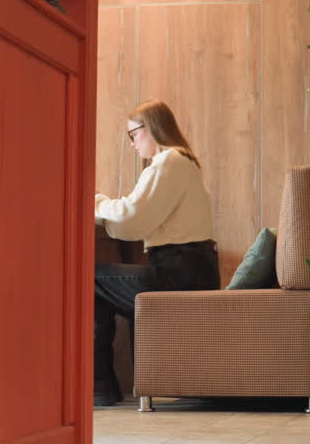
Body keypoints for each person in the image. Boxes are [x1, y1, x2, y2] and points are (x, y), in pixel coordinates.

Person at [93, 100, 219, 406]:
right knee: (101, 279)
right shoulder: (182, 162)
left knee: (91, 277)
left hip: (178, 274)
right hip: (190, 269)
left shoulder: (170, 161)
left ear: (150, 128)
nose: (133, 144)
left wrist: (95, 203)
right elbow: (134, 221)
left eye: (133, 135)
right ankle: (101, 387)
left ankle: (99, 388)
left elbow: (133, 215)